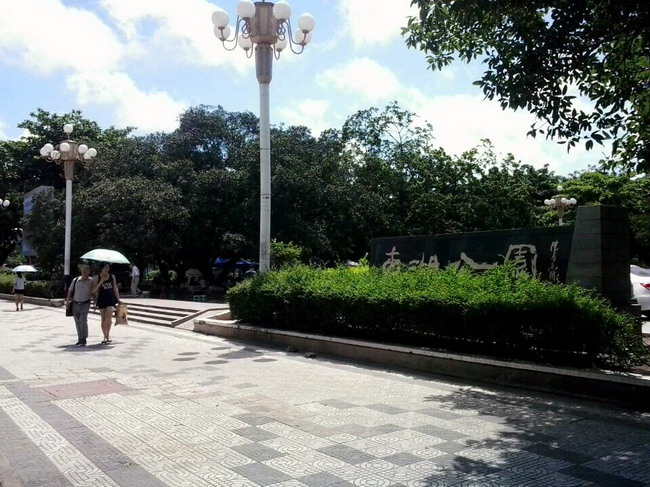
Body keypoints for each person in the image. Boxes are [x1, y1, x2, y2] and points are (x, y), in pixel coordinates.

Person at [92, 262, 121, 344]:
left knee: (109, 317)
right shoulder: (96, 277)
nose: (107, 269)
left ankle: (107, 335)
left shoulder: (112, 276)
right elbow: (93, 291)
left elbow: (115, 288)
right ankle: (104, 335)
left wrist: (118, 299)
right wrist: (101, 281)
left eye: (108, 267)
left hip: (111, 299)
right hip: (101, 299)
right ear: (101, 268)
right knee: (103, 318)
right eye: (105, 267)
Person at [66, 265, 93, 346]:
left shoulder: (91, 281)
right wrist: (67, 302)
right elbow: (70, 291)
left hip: (86, 303)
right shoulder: (76, 280)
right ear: (81, 272)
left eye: (86, 272)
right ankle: (80, 338)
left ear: (89, 272)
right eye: (83, 272)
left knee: (83, 320)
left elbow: (94, 291)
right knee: (77, 321)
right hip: (75, 303)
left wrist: (95, 300)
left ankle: (84, 338)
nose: (85, 274)